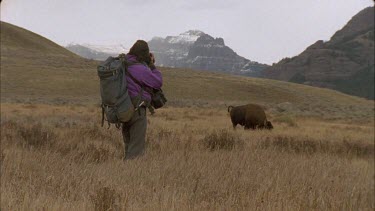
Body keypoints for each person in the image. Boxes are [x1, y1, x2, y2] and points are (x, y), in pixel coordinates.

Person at [122, 40, 163, 160]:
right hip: (137, 108)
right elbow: (157, 82)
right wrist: (151, 65)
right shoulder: (139, 68)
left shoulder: (124, 64)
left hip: (124, 106)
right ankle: (131, 175)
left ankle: (123, 172)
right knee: (136, 150)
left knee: (128, 144)